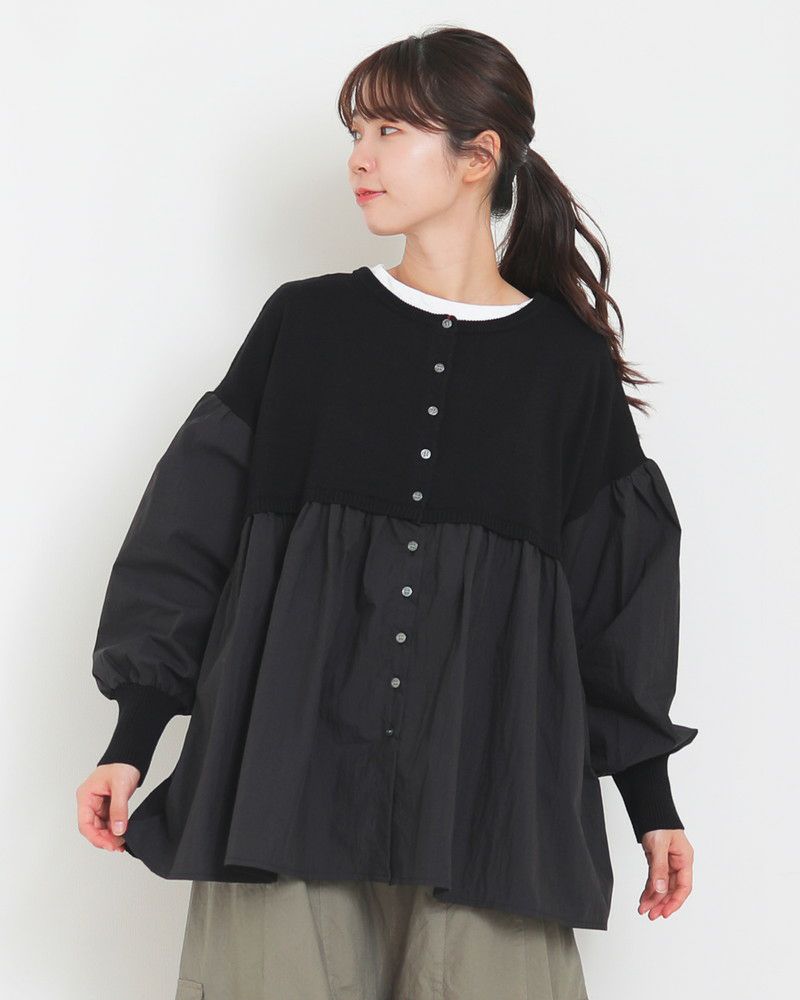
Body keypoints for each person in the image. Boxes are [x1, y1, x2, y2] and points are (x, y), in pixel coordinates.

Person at [76, 25, 698, 1000]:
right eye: (354, 133)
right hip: (282, 781)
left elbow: (617, 601)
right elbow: (187, 536)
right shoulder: (306, 325)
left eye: (389, 130)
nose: (359, 158)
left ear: (477, 157)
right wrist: (133, 736)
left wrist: (650, 801)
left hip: (488, 802)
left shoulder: (564, 369)